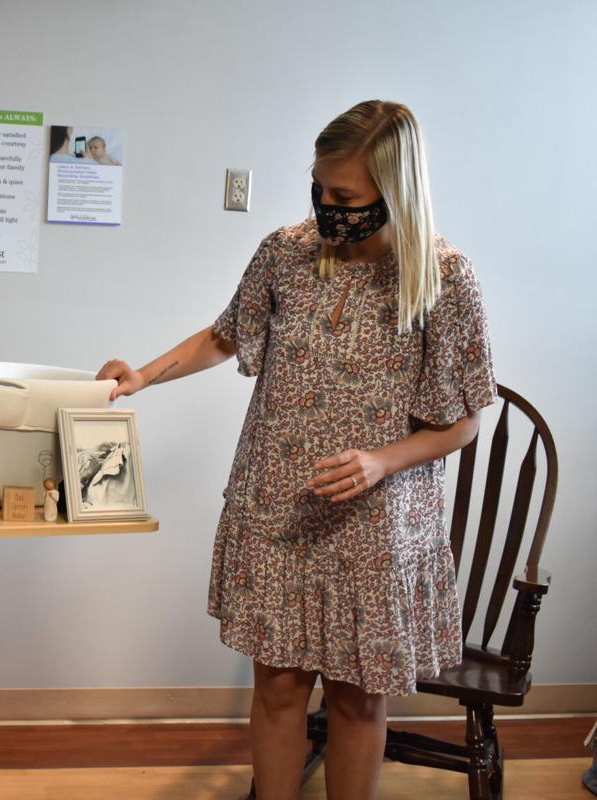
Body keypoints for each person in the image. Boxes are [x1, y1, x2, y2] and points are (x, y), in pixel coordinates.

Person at [96, 100, 496, 800]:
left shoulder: (446, 279)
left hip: (372, 527)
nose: (327, 207)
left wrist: (382, 460)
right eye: (319, 188)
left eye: (345, 197)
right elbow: (225, 334)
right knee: (278, 689)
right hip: (276, 505)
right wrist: (144, 376)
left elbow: (462, 422)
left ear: (395, 192)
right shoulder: (286, 250)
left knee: (356, 699)